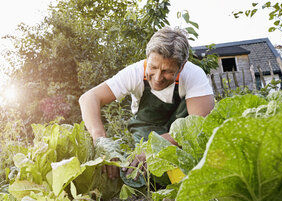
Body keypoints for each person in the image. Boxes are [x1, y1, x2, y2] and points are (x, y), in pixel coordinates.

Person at [79, 26, 214, 180]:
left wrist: (155, 148)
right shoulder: (134, 73)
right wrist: (101, 140)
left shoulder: (193, 75)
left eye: (166, 71)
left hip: (182, 127)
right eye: (153, 67)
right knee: (151, 173)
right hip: (148, 127)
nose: (157, 78)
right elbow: (88, 98)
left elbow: (200, 125)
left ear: (181, 66)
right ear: (147, 58)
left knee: (194, 164)